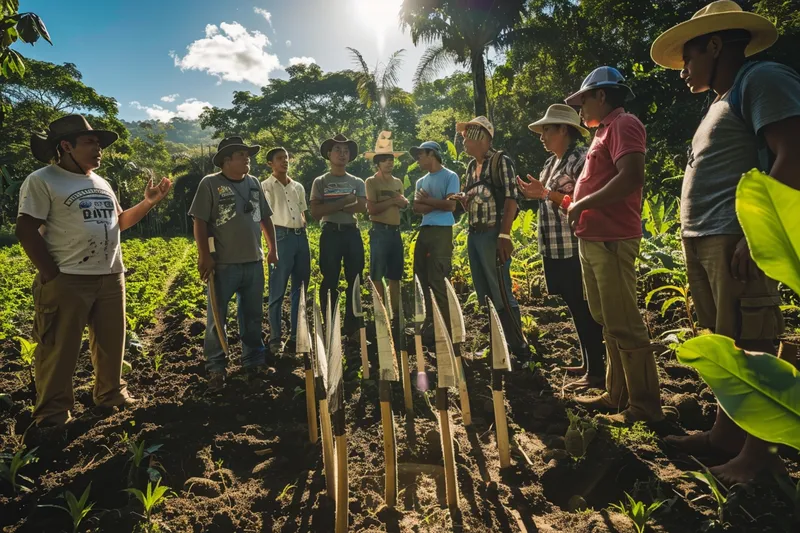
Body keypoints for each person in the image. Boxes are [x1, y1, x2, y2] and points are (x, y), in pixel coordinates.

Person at [651, 0, 800, 483]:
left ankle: (758, 459)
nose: (683, 72)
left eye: (689, 58)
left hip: (736, 241)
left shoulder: (762, 79)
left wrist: (760, 234)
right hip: (706, 239)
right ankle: (724, 437)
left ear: (716, 45)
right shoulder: (721, 98)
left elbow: (793, 151)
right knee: (728, 345)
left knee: (754, 344)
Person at [16, 114, 172, 432]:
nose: (98, 148)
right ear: (65, 146)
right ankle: (53, 416)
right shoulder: (42, 179)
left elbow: (119, 222)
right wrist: (50, 274)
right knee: (59, 349)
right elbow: (25, 229)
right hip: (67, 277)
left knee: (112, 344)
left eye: (98, 143)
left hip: (110, 274)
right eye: (90, 142)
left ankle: (110, 396)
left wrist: (147, 203)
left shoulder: (101, 183)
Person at [563, 67, 666, 423]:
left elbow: (632, 176)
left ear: (602, 96)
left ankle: (645, 406)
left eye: (583, 100)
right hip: (593, 239)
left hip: (612, 239)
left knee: (624, 321)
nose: (580, 109)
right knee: (607, 319)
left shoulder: (624, 125)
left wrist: (582, 204)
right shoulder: (603, 132)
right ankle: (617, 394)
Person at [517, 104, 605, 389]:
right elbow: (549, 197)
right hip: (553, 246)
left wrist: (543, 192)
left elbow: (580, 202)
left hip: (573, 244)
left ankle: (596, 372)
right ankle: (588, 361)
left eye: (547, 130)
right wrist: (538, 193)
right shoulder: (550, 164)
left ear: (564, 130)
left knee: (584, 306)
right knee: (573, 304)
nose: (541, 136)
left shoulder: (580, 159)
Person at [189, 136, 278, 392]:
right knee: (217, 318)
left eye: (247, 154)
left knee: (252, 315)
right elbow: (200, 222)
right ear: (226, 160)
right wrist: (204, 255)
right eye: (241, 154)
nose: (247, 158)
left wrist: (273, 248)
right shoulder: (210, 184)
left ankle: (253, 361)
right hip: (223, 265)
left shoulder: (253, 183)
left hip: (253, 262)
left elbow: (264, 218)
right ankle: (216, 367)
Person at [458, 116, 528, 357]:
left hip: (492, 233)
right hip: (474, 233)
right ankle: (498, 343)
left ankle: (517, 346)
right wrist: (463, 200)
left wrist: (504, 234)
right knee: (483, 290)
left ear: (482, 138)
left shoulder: (500, 162)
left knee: (500, 289)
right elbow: (471, 198)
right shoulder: (470, 167)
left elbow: (511, 198)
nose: (463, 141)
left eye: (468, 136)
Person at [309, 134, 367, 337]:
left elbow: (361, 207)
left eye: (346, 151)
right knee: (330, 278)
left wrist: (331, 205)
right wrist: (345, 202)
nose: (342, 154)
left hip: (352, 233)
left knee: (355, 278)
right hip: (330, 233)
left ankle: (352, 327)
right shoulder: (321, 181)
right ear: (328, 154)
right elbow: (316, 212)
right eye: (337, 150)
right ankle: (331, 324)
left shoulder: (357, 181)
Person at [261, 147, 311, 355]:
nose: (285, 161)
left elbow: (302, 213)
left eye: (287, 158)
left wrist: (302, 229)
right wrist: (271, 247)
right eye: (279, 159)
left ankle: (295, 336)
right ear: (271, 164)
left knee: (300, 288)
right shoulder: (266, 187)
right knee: (277, 290)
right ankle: (275, 338)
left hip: (300, 236)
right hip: (280, 237)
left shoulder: (297, 186)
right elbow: (264, 220)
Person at [410, 141, 460, 339]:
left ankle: (447, 328)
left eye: (420, 154)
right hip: (425, 230)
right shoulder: (420, 181)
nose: (418, 159)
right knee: (421, 276)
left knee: (438, 278)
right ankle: (430, 323)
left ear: (432, 154)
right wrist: (436, 203)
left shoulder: (450, 176)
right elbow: (416, 208)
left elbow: (451, 206)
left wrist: (428, 201)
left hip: (442, 231)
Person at [364, 131, 408, 315]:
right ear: (377, 163)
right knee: (377, 273)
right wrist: (393, 201)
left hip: (395, 232)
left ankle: (396, 312)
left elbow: (404, 203)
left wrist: (403, 203)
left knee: (395, 274)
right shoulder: (371, 182)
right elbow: (371, 209)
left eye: (391, 159)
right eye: (384, 160)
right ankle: (380, 312)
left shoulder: (398, 182)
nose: (389, 162)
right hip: (379, 231)